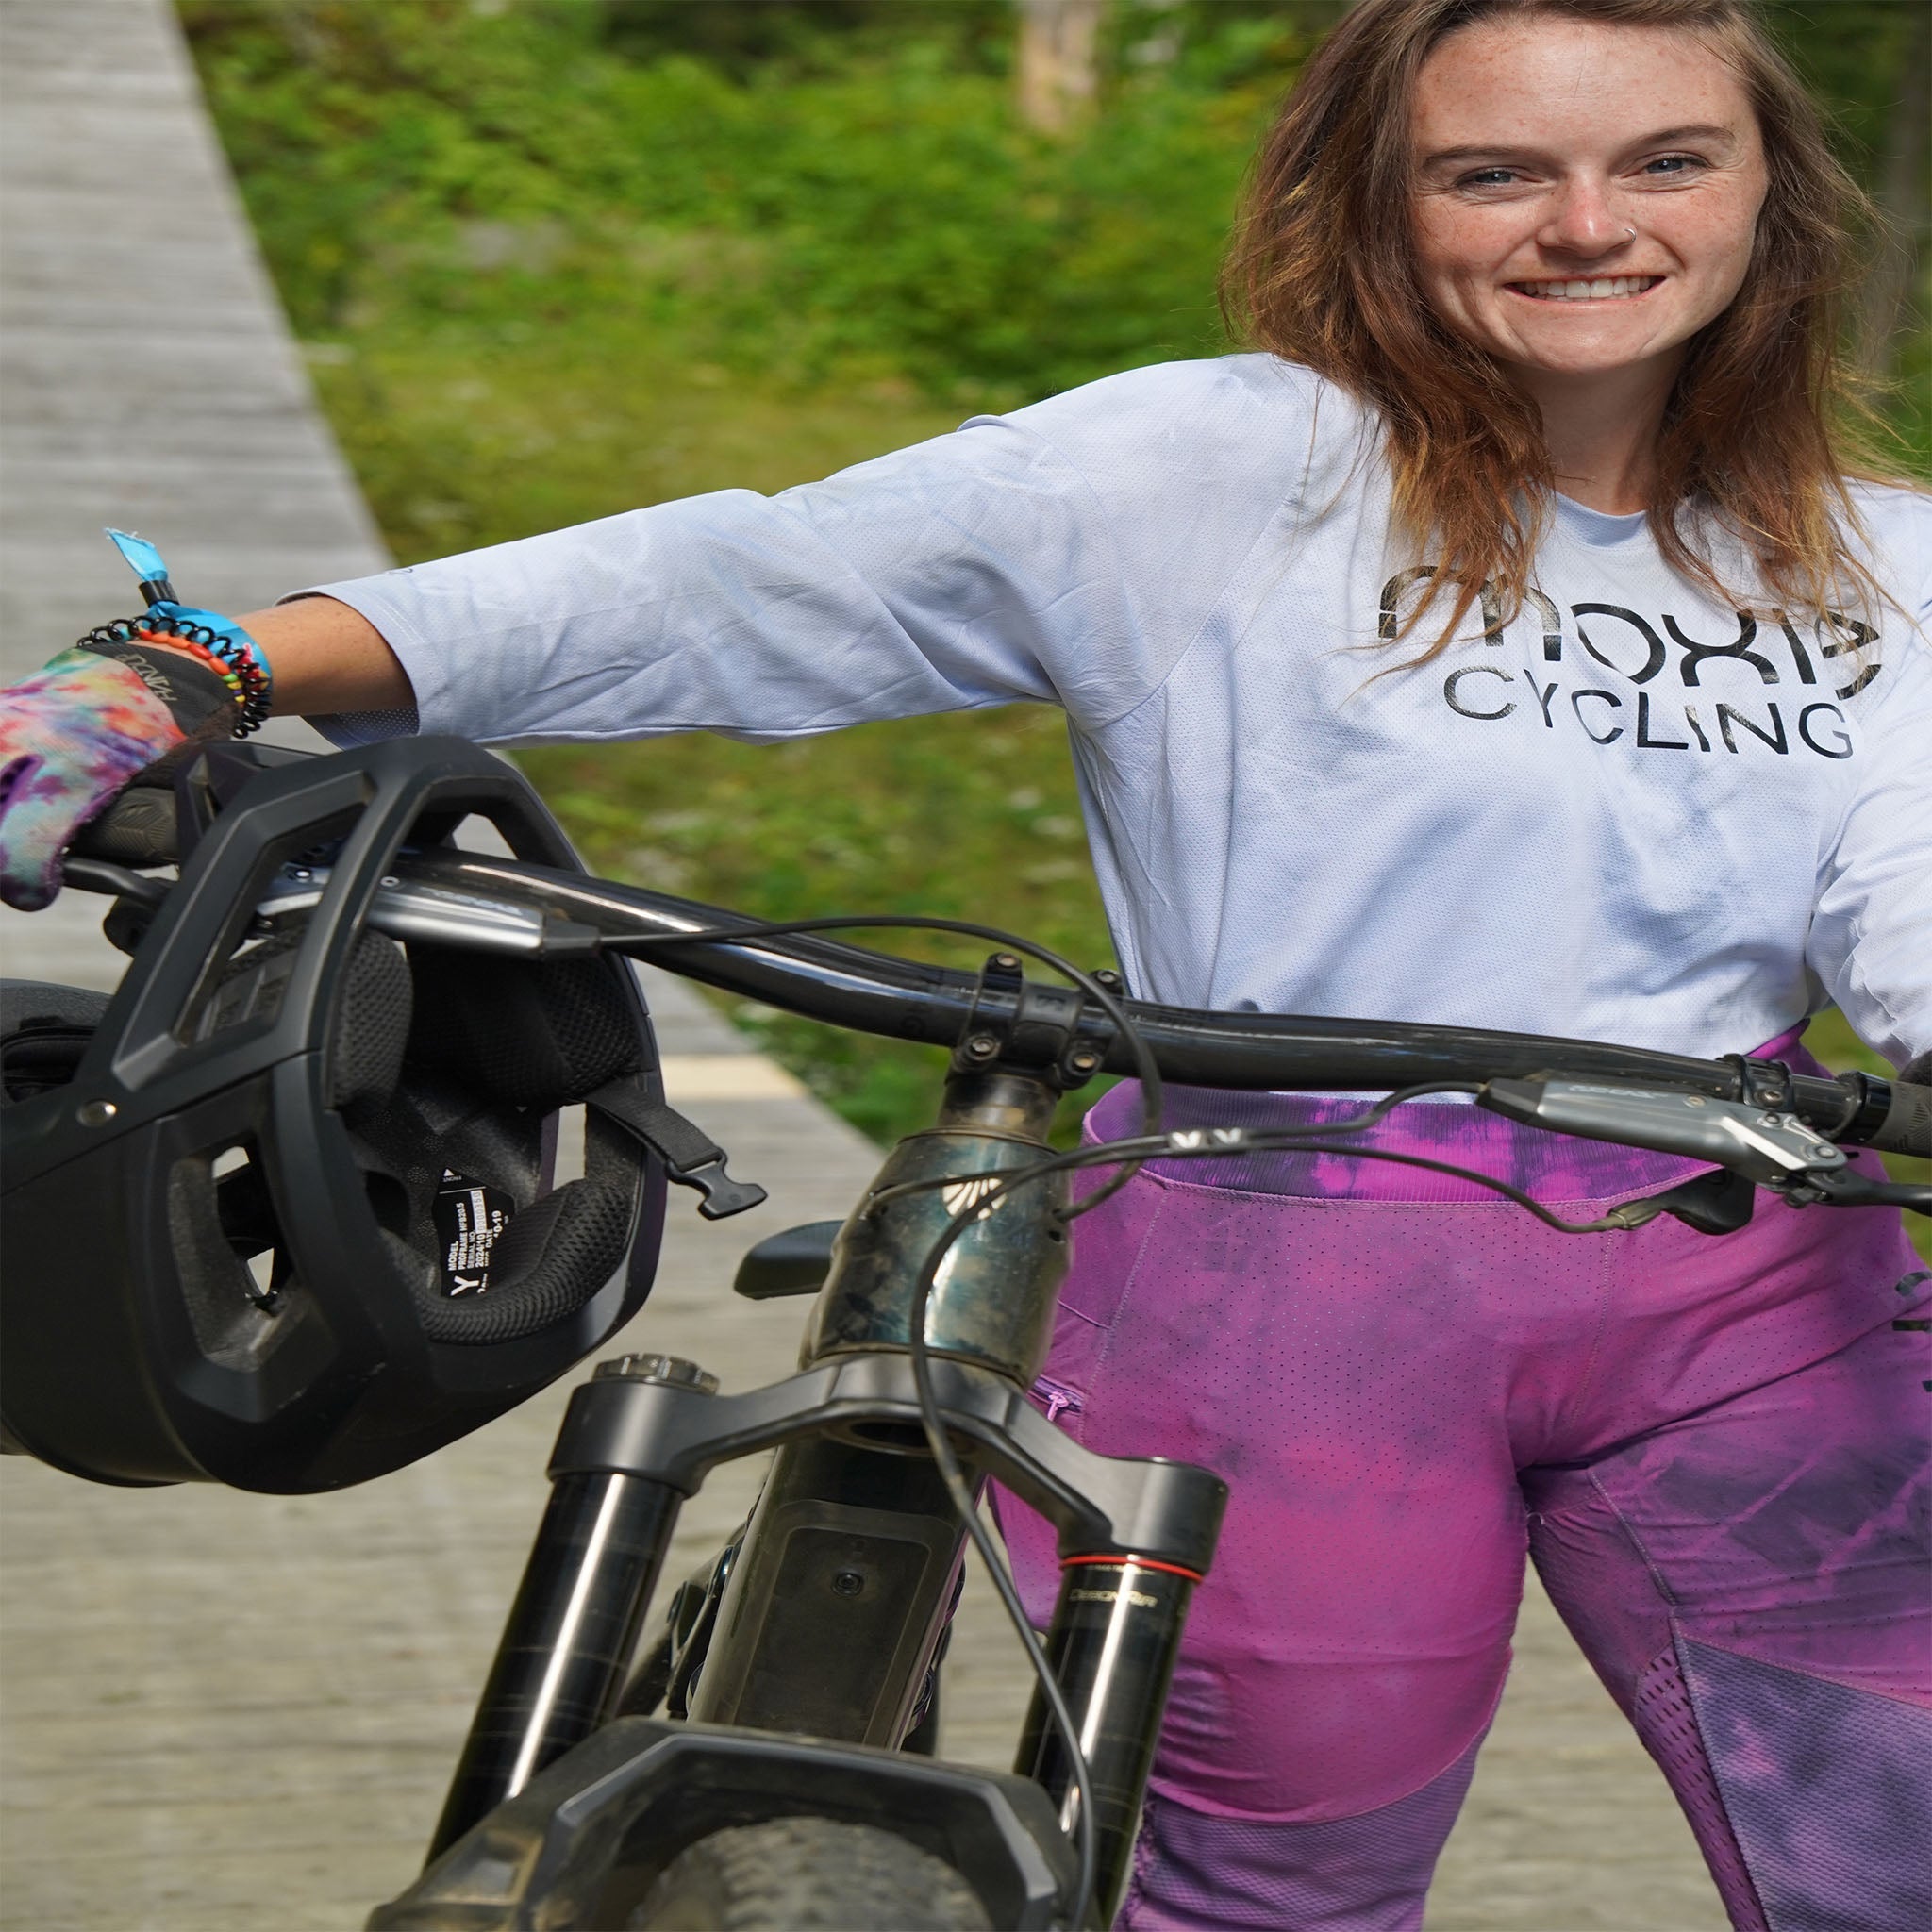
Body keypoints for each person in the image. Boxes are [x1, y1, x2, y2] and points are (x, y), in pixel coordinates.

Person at [2, 0, 1925, 1925]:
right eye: (1494, 171)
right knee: (1279, 1885)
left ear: (1769, 192)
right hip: (1290, 1277)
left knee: (1895, 1835)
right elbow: (727, 585)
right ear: (1376, 202)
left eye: (1667, 161)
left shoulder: (1880, 566)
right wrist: (206, 666)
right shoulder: (1219, 471)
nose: (1587, 223)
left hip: (1751, 1272)